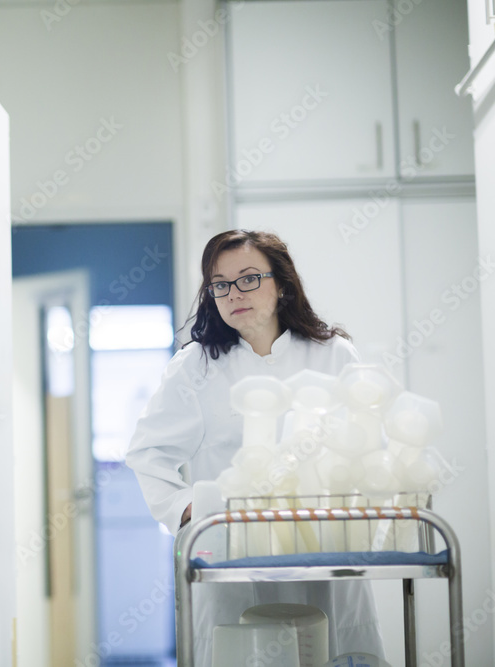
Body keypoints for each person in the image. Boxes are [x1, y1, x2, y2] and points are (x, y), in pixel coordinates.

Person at [125, 230, 384, 667]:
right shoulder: (196, 366)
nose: (233, 293)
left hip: (325, 555)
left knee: (333, 650)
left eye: (248, 278)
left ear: (281, 284)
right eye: (219, 284)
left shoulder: (334, 355)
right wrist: (190, 507)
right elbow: (147, 453)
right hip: (232, 558)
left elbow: (370, 448)